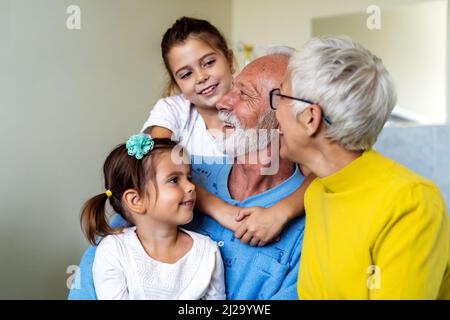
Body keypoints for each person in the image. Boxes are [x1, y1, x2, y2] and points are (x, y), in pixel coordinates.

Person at [274, 35, 450, 299]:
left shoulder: (411, 202)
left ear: (310, 118)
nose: (273, 111)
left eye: (280, 96)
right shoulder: (317, 193)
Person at [142, 17, 312, 246]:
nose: (201, 77)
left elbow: (317, 174)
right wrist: (222, 210)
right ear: (176, 83)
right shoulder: (174, 111)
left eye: (209, 62)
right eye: (186, 74)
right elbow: (155, 166)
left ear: (230, 60)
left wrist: (281, 211)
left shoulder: (264, 110)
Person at [185, 51, 306, 300]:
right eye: (232, 89)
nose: (222, 103)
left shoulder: (311, 220)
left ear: (284, 117)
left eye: (244, 94)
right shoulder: (183, 175)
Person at [80, 133, 225, 299]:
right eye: (174, 180)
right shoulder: (115, 251)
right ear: (136, 200)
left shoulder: (208, 252)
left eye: (189, 177)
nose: (191, 186)